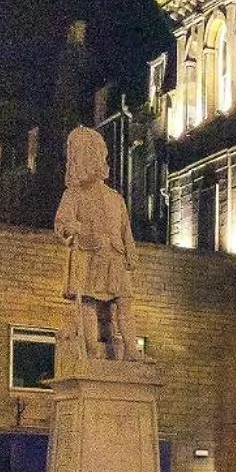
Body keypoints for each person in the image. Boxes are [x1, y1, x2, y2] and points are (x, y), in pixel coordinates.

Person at [54, 125, 141, 362]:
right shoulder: (74, 194)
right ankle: (91, 350)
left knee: (124, 301)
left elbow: (125, 230)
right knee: (89, 301)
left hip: (114, 255)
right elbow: (62, 222)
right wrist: (70, 229)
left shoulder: (115, 198)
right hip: (88, 253)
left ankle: (132, 351)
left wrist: (131, 253)